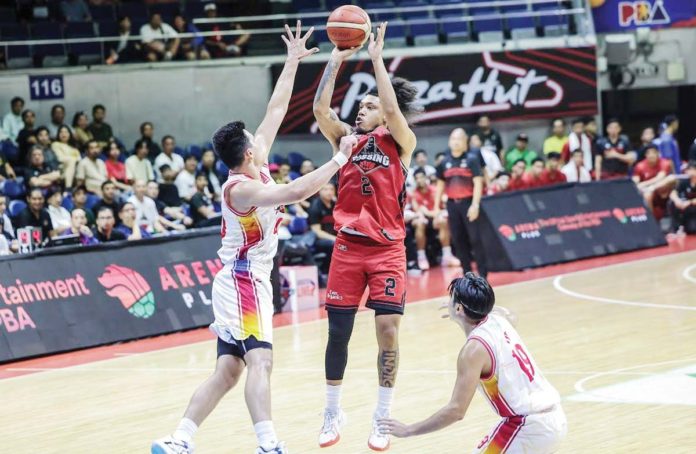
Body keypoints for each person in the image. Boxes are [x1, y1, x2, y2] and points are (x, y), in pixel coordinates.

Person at [151, 22, 324, 454]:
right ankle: (269, 445)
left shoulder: (253, 162)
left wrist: (292, 61)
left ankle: (179, 440)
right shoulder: (240, 188)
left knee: (228, 370)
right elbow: (296, 191)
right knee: (260, 360)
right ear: (249, 152)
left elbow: (277, 108)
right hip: (245, 279)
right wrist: (341, 155)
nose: (259, 139)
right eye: (254, 140)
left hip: (245, 278)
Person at [313, 22, 422, 451]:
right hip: (347, 248)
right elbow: (323, 110)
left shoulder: (402, 141)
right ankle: (331, 409)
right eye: (360, 104)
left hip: (387, 250)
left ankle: (382, 416)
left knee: (388, 331)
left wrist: (376, 59)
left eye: (370, 104)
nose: (362, 109)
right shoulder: (346, 139)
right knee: (338, 334)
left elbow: (395, 114)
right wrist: (336, 59)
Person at [379, 274, 567, 454]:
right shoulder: (500, 319)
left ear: (459, 309)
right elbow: (511, 315)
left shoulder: (473, 351)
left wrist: (408, 430)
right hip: (556, 418)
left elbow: (456, 411)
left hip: (527, 427)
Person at [435, 128, 487, 279]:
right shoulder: (444, 162)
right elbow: (439, 186)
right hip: (452, 205)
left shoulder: (472, 159)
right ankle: (468, 274)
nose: (455, 142)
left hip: (469, 203)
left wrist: (475, 205)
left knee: (475, 239)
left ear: (465, 142)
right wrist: (436, 208)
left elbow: (478, 183)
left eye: (459, 139)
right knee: (458, 240)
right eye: (453, 139)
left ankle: (483, 274)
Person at [411, 168, 459, 270]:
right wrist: (428, 213)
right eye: (417, 178)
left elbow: (440, 206)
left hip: (436, 217)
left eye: (421, 177)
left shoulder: (435, 189)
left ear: (426, 178)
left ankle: (447, 256)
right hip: (423, 219)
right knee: (420, 223)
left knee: (443, 220)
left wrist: (432, 213)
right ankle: (421, 257)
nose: (420, 180)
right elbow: (418, 211)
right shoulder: (414, 193)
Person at [632, 144, 674, 216]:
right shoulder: (640, 166)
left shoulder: (665, 163)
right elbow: (635, 181)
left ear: (658, 153)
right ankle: (651, 220)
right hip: (648, 192)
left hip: (662, 190)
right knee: (647, 195)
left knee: (671, 178)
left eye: (654, 152)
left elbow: (660, 177)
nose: (651, 155)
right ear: (645, 155)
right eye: (649, 153)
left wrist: (647, 185)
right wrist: (637, 185)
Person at [308, 182, 337, 275]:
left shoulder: (335, 205)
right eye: (325, 189)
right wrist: (335, 239)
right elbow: (317, 232)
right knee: (334, 244)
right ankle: (330, 273)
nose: (329, 192)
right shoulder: (315, 207)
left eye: (331, 189)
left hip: (335, 237)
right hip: (318, 240)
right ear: (319, 191)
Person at [669, 160, 696, 234]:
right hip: (686, 208)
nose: (691, 172)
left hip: (693, 207)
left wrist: (689, 202)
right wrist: (677, 200)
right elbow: (673, 193)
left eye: (693, 169)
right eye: (689, 169)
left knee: (692, 230)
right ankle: (675, 228)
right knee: (671, 203)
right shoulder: (684, 182)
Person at [51, 124, 80, 188]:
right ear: (58, 134)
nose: (63, 134)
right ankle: (68, 188)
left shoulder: (74, 148)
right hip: (62, 169)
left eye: (66, 132)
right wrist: (74, 159)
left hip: (76, 169)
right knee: (71, 161)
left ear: (70, 134)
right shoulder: (56, 144)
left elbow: (79, 159)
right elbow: (60, 158)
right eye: (61, 132)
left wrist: (75, 160)